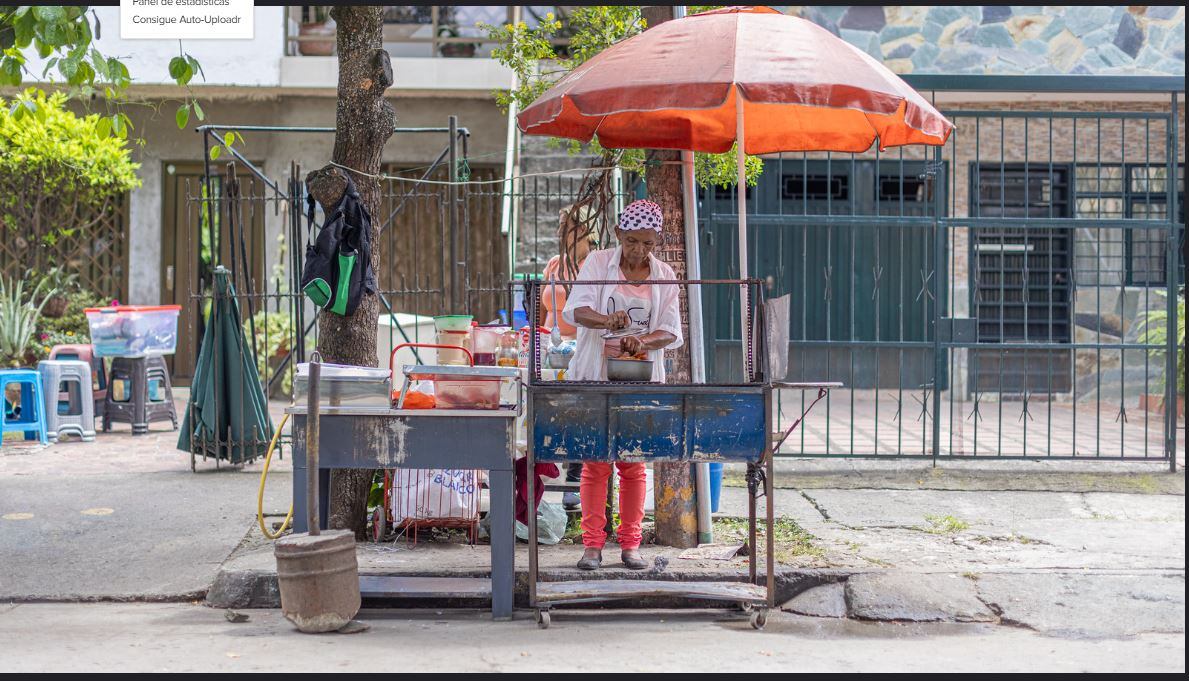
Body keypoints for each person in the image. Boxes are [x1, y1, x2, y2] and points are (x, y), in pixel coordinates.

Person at [561, 199, 683, 570]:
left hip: (640, 381)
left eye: (647, 243)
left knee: (632, 465)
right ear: (618, 234)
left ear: (656, 241)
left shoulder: (664, 274)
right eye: (632, 241)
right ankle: (592, 547)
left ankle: (631, 545)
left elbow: (670, 330)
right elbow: (576, 310)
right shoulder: (598, 263)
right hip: (597, 376)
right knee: (596, 463)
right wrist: (606, 321)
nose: (639, 250)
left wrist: (640, 341)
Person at [540, 205, 599, 511]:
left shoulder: (596, 265)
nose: (559, 232)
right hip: (552, 350)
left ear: (584, 229)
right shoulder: (554, 264)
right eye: (560, 226)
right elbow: (542, 311)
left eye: (565, 226)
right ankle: (538, 474)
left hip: (582, 348)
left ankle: (575, 477)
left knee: (579, 409)